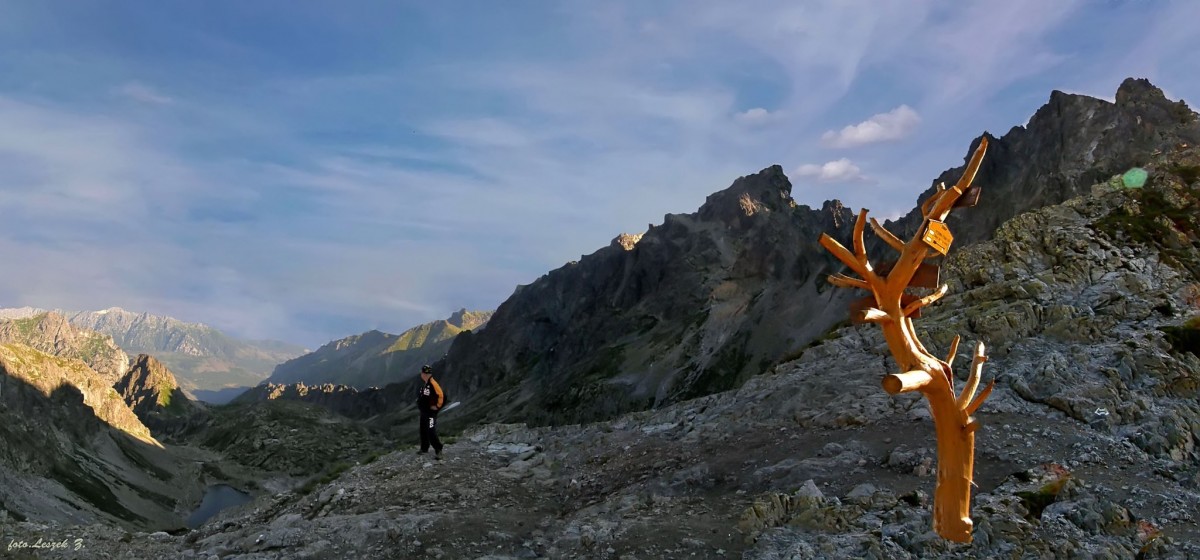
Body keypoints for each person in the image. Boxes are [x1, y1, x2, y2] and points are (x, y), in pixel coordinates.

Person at [415, 364, 445, 459]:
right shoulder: (426, 383)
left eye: (422, 373)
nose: (421, 374)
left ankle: (438, 449)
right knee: (423, 430)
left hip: (430, 413)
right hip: (424, 412)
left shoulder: (433, 384)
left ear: (424, 374)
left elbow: (441, 396)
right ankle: (424, 448)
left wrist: (437, 406)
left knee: (431, 431)